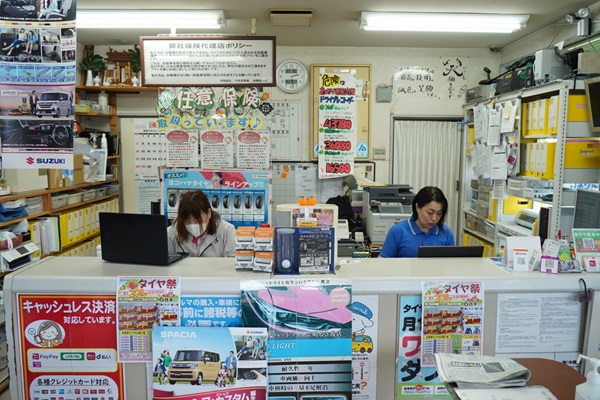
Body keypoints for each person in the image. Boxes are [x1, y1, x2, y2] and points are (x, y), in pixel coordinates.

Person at [380, 186, 455, 258]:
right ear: (417, 207)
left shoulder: (446, 233)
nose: (434, 218)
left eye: (439, 213)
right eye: (430, 212)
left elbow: (452, 265)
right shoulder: (398, 231)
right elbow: (383, 264)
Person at [167, 190, 236, 257]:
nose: (192, 225)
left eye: (197, 220)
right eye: (187, 221)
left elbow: (232, 262)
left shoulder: (227, 231)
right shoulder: (171, 233)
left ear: (208, 213)